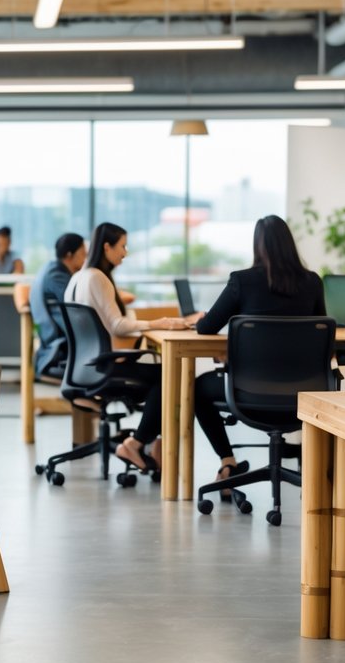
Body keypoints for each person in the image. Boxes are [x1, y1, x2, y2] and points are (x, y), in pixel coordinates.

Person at [186, 214, 326, 499]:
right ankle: (320, 470)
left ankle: (228, 462)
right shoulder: (312, 282)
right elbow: (320, 330)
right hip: (304, 394)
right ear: (289, 245)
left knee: (197, 388)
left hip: (247, 392)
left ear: (257, 246)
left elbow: (206, 327)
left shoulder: (242, 281)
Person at [65, 223, 190, 474]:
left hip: (84, 366)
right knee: (168, 376)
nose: (125, 252)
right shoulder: (98, 278)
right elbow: (117, 325)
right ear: (107, 247)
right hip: (103, 366)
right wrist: (159, 323)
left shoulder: (78, 277)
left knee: (162, 372)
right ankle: (138, 443)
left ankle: (151, 444)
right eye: (122, 246)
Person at [31, 232, 87, 378]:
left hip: (56, 344)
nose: (86, 257)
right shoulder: (56, 275)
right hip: (57, 351)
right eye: (83, 253)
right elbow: (79, 302)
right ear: (69, 255)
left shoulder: (51, 268)